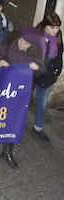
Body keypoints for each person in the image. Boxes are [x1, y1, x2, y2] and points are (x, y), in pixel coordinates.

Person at [26, 13, 62, 143]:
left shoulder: (58, 37)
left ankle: (37, 128)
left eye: (57, 28)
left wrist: (54, 75)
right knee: (24, 98)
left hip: (47, 75)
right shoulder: (35, 35)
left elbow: (58, 58)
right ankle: (15, 122)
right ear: (45, 25)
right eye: (52, 28)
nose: (55, 31)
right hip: (32, 73)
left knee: (42, 104)